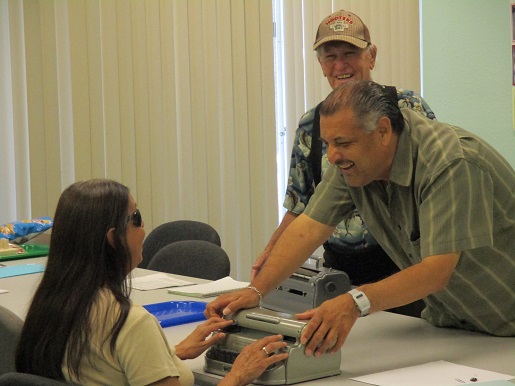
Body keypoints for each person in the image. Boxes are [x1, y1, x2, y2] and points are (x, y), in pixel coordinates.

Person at [207, 80, 515, 358]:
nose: (332, 156)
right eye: (328, 144)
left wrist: (355, 303)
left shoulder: (448, 163)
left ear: (382, 130)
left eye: (342, 143)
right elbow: (308, 228)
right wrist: (256, 290)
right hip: (456, 327)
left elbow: (436, 271)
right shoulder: (357, 159)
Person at [15, 179, 288, 386]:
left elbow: (103, 366)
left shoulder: (50, 304)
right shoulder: (128, 322)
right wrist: (239, 375)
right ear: (113, 238)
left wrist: (171, 353)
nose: (143, 224)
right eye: (135, 217)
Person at [251, 10, 435, 316]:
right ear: (321, 63)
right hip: (339, 274)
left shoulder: (405, 109)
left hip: (403, 269)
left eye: (350, 53)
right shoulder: (311, 125)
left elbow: (432, 189)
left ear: (371, 56)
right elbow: (300, 207)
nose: (340, 65)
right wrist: (268, 261)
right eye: (330, 56)